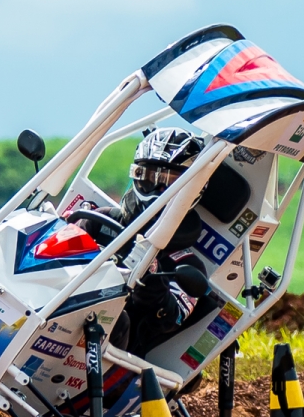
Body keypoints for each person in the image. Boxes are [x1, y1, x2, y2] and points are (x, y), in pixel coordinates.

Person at [79, 127, 208, 356]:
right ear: (137, 175)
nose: (159, 189)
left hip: (115, 352)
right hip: (60, 312)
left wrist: (149, 277)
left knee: (116, 320)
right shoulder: (101, 221)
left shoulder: (187, 265)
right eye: (150, 177)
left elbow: (167, 319)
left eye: (170, 182)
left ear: (194, 189)